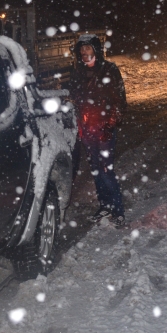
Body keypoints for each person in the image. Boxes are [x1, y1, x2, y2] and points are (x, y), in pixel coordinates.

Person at [66, 33, 128, 228]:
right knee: (95, 169)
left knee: (106, 169)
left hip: (104, 128)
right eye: (82, 49)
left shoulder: (109, 70)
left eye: (88, 48)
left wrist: (110, 123)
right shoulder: (77, 72)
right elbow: (74, 98)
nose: (85, 53)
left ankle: (117, 210)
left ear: (96, 50)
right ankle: (105, 205)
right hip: (87, 129)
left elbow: (119, 99)